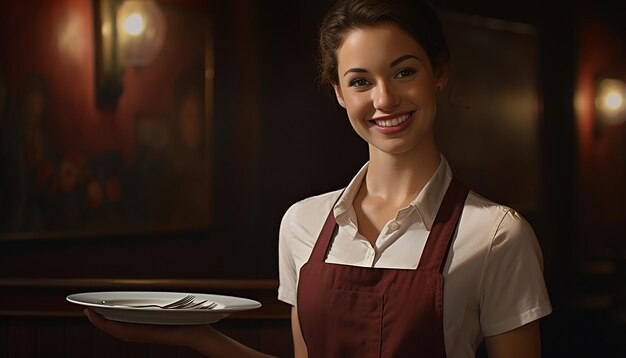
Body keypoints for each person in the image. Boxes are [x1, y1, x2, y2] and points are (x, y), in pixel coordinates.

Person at [85, 0, 552, 356]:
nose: (384, 99)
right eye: (360, 81)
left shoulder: (497, 235)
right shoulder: (301, 224)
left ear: (439, 74)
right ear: (339, 94)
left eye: (404, 71)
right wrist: (199, 339)